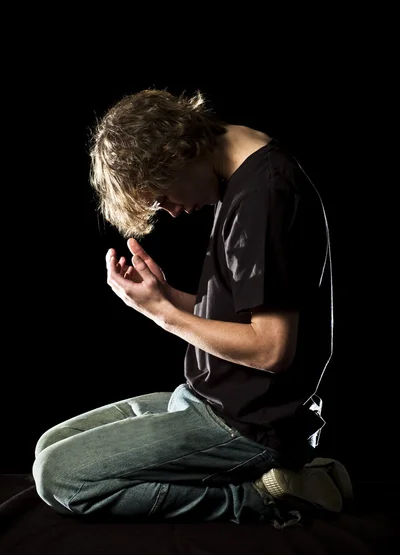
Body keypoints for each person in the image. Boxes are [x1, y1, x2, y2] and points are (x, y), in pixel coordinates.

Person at [32, 89, 352, 525]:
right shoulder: (238, 170)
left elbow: (272, 350)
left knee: (59, 477)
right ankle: (267, 476)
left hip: (247, 426)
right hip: (204, 397)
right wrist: (164, 299)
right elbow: (240, 315)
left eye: (163, 196)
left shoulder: (265, 196)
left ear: (179, 152)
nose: (174, 211)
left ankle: (266, 496)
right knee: (52, 444)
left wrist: (165, 315)